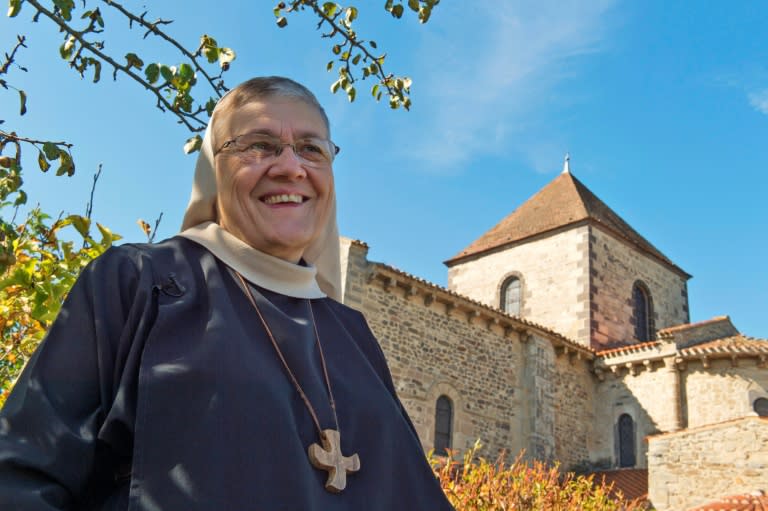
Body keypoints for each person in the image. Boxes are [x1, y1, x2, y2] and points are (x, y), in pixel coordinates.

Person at [0, 77, 454, 510]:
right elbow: (22, 474)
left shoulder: (353, 333)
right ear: (213, 170)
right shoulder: (139, 280)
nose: (291, 167)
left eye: (311, 149)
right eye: (260, 145)